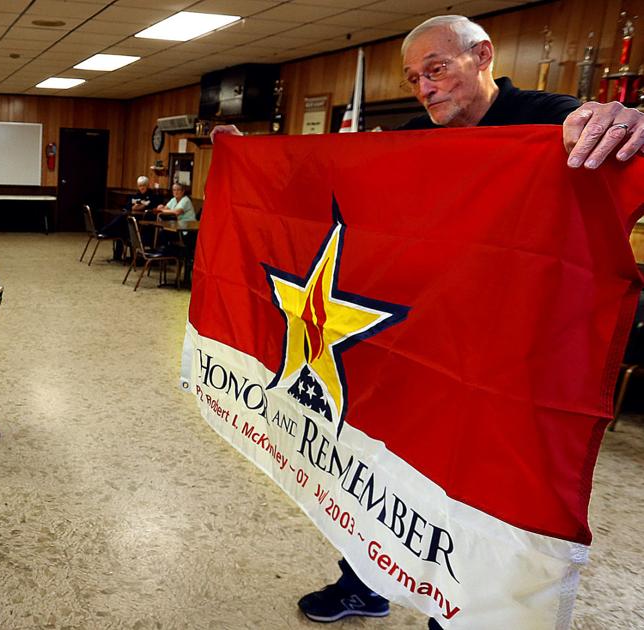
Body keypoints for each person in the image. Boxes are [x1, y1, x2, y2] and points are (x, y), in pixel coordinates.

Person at [211, 14, 643, 628]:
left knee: (474, 492)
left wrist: (626, 122)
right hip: (414, 338)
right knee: (382, 468)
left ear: (482, 56)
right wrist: (247, 156)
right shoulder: (415, 137)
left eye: (436, 69)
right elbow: (324, 185)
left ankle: (457, 610)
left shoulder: (550, 120)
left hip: (507, 358)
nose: (425, 88)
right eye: (414, 78)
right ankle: (363, 581)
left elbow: (609, 147)